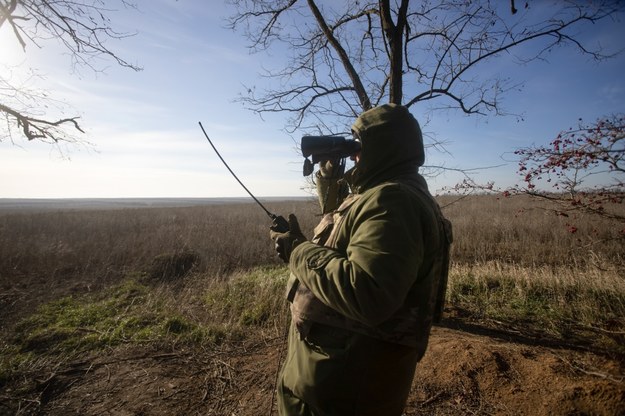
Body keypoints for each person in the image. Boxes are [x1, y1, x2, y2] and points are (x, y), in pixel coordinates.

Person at [270, 103, 452, 416]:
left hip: (341, 385)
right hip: (338, 371)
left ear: (382, 148)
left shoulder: (392, 200)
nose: (355, 154)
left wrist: (297, 251)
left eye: (359, 146)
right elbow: (345, 226)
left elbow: (367, 292)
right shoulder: (390, 193)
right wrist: (329, 177)